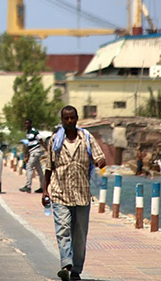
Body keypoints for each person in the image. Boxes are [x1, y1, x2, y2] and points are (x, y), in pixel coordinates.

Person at [42, 105, 106, 281]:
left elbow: (100, 157)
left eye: (72, 118)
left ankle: (76, 269)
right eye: (66, 118)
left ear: (77, 119)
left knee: (79, 235)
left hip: (82, 195)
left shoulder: (86, 138)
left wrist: (100, 162)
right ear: (62, 120)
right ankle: (66, 264)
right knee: (62, 229)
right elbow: (49, 167)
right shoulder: (55, 141)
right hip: (60, 193)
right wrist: (44, 190)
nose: (69, 121)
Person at [19, 118, 45, 194]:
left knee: (29, 167)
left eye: (27, 123)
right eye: (25, 123)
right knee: (39, 170)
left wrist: (46, 148)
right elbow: (29, 144)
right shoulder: (28, 132)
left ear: (30, 124)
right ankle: (43, 187)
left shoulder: (34, 131)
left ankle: (28, 186)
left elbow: (40, 140)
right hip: (33, 152)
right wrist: (27, 153)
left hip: (36, 151)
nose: (26, 125)